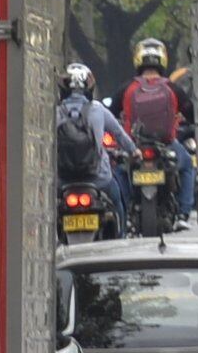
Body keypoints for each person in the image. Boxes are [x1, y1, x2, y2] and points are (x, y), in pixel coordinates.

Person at [55, 60, 139, 234]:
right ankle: (121, 238)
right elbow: (120, 135)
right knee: (117, 202)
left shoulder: (54, 112)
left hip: (63, 181)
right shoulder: (98, 109)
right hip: (99, 179)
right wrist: (134, 152)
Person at [116, 38, 193, 223]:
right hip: (167, 144)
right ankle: (183, 212)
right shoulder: (172, 87)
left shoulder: (127, 88)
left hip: (134, 146)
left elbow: (109, 113)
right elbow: (190, 113)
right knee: (188, 166)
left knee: (119, 170)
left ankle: (126, 210)